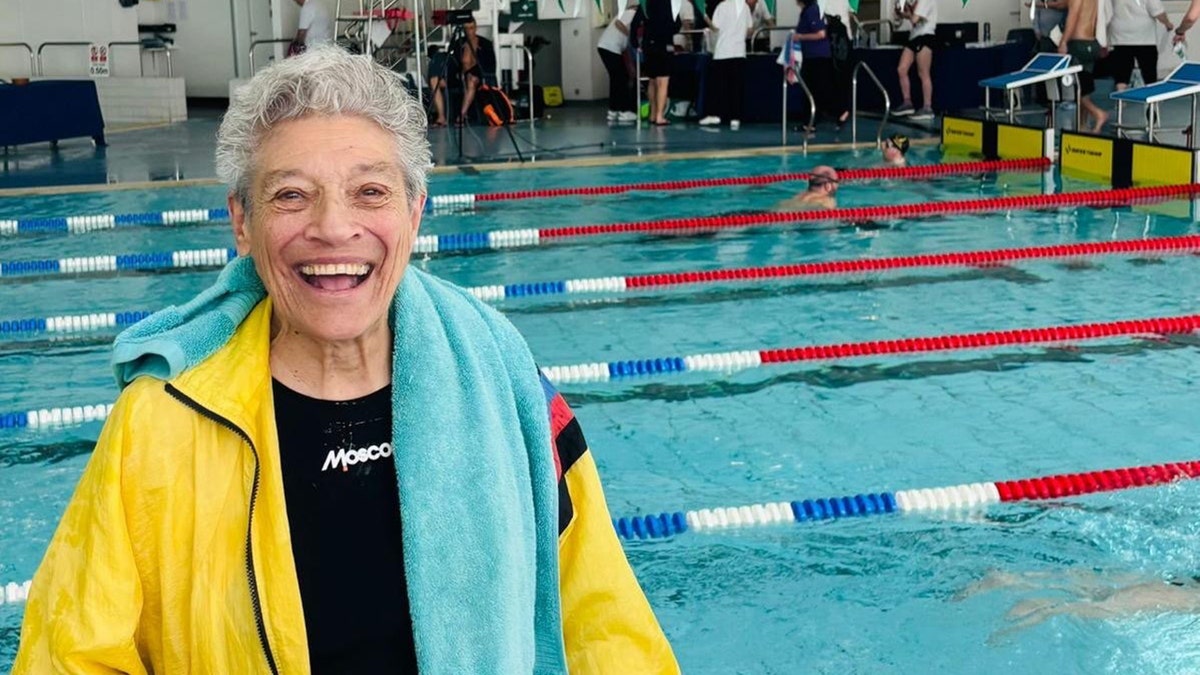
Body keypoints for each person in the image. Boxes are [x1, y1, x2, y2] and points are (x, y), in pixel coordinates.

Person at [12, 45, 679, 675]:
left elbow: (601, 618)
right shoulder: (161, 422)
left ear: (415, 213)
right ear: (241, 222)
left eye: (370, 192)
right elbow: (71, 654)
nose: (333, 228)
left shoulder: (505, 383)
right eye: (291, 195)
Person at [429, 17, 496, 127]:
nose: (469, 31)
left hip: (476, 77)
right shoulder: (459, 43)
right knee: (434, 80)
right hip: (458, 76)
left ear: (476, 28)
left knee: (471, 80)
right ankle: (441, 117)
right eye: (466, 29)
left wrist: (475, 73)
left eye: (471, 28)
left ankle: (461, 116)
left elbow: (490, 65)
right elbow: (452, 62)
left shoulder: (485, 44)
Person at [794, 0, 849, 130]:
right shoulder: (808, 11)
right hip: (811, 56)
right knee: (813, 91)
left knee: (821, 89)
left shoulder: (812, 11)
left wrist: (800, 37)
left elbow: (821, 33)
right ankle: (811, 121)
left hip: (817, 57)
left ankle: (840, 110)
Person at [698, 0, 753, 129]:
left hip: (723, 52)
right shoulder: (745, 7)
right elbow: (750, 29)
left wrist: (706, 18)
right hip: (739, 51)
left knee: (720, 87)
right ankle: (735, 118)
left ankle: (716, 115)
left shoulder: (721, 6)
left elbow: (716, 28)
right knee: (736, 87)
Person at [1058, 0, 1109, 132]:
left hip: (1078, 44)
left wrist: (1063, 42)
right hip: (1091, 44)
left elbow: (1072, 18)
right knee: (1084, 87)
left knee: (1074, 87)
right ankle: (1082, 125)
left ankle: (1098, 114)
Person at [633, 0, 680, 125]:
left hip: (648, 46)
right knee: (663, 82)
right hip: (663, 44)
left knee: (652, 81)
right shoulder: (671, 3)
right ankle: (660, 116)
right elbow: (677, 25)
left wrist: (635, 43)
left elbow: (634, 23)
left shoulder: (646, 3)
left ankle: (653, 114)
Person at [1109, 0, 1173, 93]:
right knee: (1149, 71)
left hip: (1119, 34)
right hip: (1144, 36)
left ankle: (1120, 95)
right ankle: (1151, 95)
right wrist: (1167, 23)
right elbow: (1157, 11)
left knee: (1122, 70)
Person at [894, 0, 937, 120]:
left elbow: (914, 19)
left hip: (925, 36)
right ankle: (907, 102)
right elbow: (912, 18)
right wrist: (901, 13)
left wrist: (905, 14)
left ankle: (927, 107)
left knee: (923, 73)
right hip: (914, 36)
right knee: (902, 69)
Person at [599, 0, 640, 123]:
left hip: (607, 47)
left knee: (616, 79)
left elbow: (625, 48)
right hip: (610, 48)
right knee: (621, 79)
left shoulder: (628, 13)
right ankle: (624, 111)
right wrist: (630, 35)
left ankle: (613, 110)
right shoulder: (632, 13)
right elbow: (618, 23)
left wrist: (630, 66)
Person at [774, 165, 840, 210]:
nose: (838, 185)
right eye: (836, 181)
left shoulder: (800, 195)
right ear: (828, 186)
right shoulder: (826, 200)